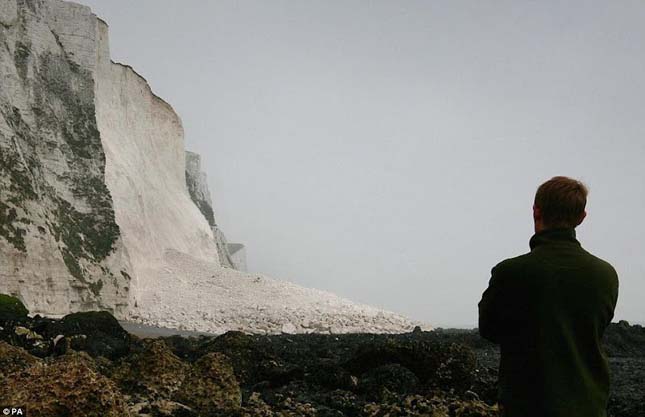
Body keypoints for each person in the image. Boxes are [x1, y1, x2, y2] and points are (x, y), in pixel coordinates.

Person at [478, 176, 619, 417]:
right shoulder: (605, 274)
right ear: (582, 217)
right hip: (589, 405)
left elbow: (489, 329)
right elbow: (596, 327)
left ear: (536, 212)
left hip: (526, 405)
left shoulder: (510, 272)